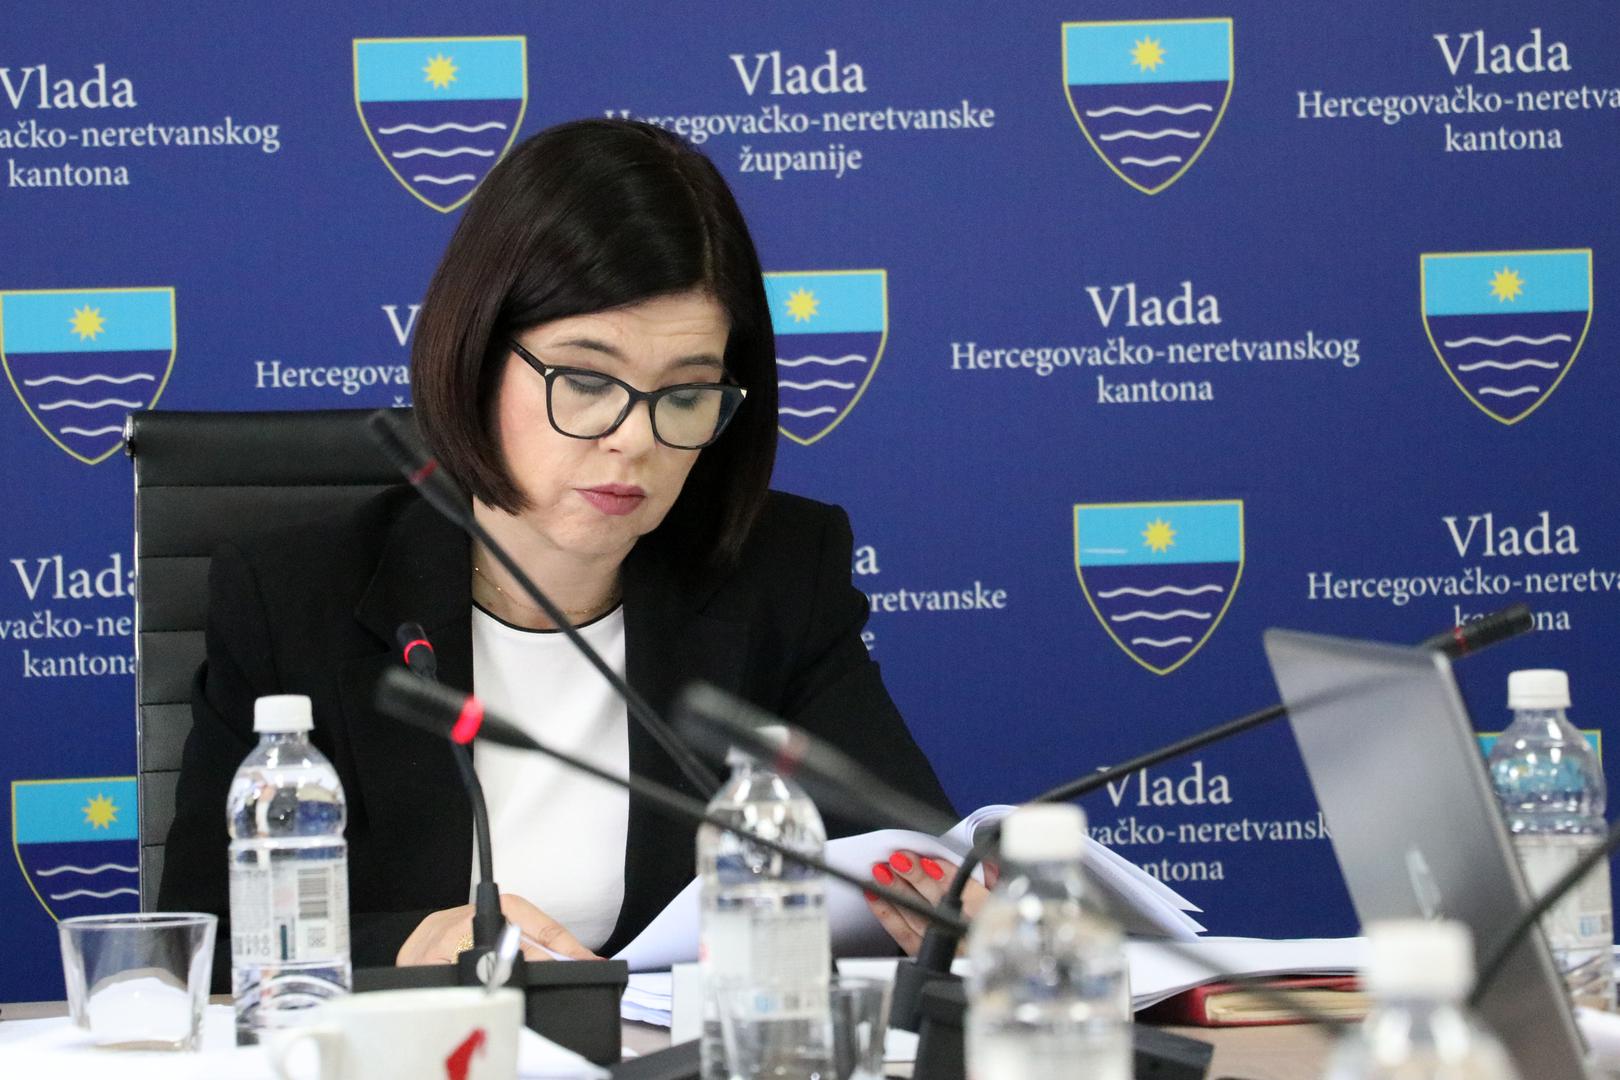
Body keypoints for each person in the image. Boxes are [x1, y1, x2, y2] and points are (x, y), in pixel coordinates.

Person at [159, 118, 986, 977]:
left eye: (686, 393)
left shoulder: (778, 574)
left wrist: (954, 901)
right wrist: (407, 945)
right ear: (477, 356)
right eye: (587, 380)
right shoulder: (293, 598)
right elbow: (203, 945)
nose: (635, 438)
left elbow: (900, 852)